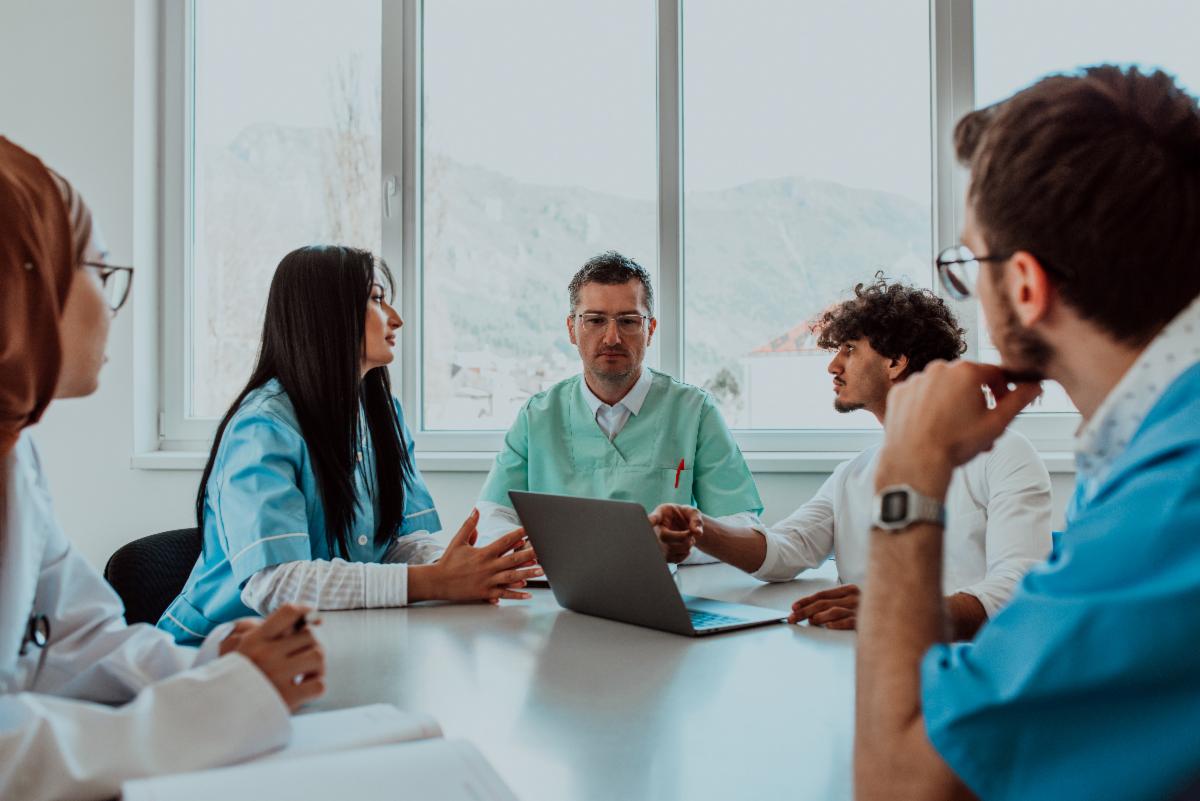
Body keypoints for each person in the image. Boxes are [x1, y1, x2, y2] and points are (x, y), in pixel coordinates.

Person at [853, 66, 1200, 801]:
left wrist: (908, 475)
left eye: (967, 265)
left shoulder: (1176, 493)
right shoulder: (1152, 442)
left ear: (1024, 285)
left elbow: (899, 784)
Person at [0, 137, 326, 800]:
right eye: (100, 269)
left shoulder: (17, 454)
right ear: (25, 281)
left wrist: (210, 664)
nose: (113, 302)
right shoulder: (266, 420)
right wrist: (216, 706)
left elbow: (80, 638)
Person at [159, 246, 541, 645]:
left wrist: (458, 567)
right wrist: (433, 581)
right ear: (326, 314)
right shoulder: (262, 427)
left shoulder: (382, 413)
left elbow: (400, 541)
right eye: (376, 299)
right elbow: (275, 584)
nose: (396, 318)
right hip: (214, 655)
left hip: (330, 644)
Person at [651, 278, 1052, 639]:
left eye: (849, 349)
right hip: (862, 663)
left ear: (895, 361)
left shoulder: (1005, 456)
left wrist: (896, 613)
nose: (833, 365)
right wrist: (700, 528)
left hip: (963, 668)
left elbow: (1018, 590)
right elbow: (784, 550)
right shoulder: (853, 473)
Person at [476, 251, 763, 558]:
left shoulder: (695, 412)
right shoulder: (538, 416)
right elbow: (491, 518)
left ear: (650, 330)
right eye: (596, 320)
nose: (611, 337)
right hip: (559, 589)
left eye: (628, 321)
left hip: (664, 587)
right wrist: (549, 553)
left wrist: (679, 547)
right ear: (572, 329)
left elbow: (741, 523)